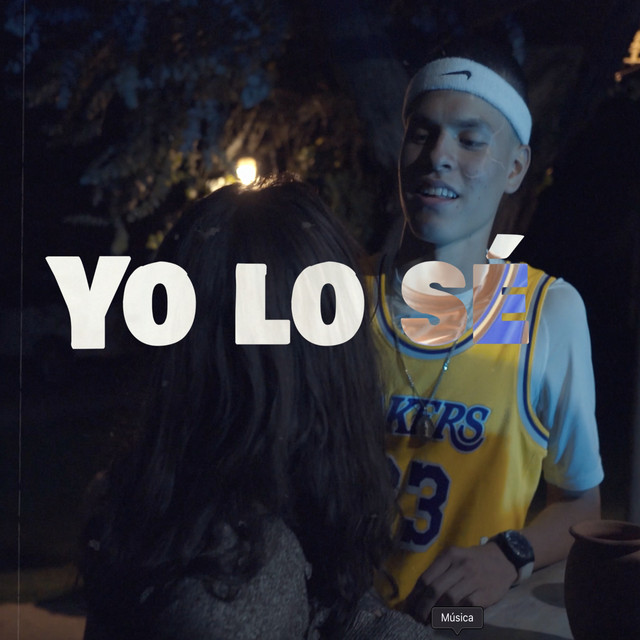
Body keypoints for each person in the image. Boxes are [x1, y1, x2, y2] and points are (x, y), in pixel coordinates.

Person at [79, 177, 434, 640]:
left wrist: (461, 619)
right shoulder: (239, 580)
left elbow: (343, 614)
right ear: (324, 364)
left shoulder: (184, 507)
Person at [369, 40, 603, 620]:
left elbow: (582, 503)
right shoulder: (338, 299)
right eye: (422, 134)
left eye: (470, 140)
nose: (438, 156)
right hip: (336, 622)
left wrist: (509, 555)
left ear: (515, 168)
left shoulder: (548, 312)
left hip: (453, 623)